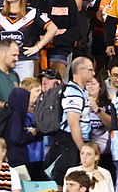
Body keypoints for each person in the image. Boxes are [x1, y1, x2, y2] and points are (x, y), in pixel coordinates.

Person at [0, 0, 58, 80]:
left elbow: (53, 28)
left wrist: (38, 46)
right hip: (2, 61)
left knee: (24, 91)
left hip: (24, 60)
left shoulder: (32, 13)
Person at [46, 56, 95, 188]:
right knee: (66, 183)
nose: (94, 73)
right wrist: (82, 150)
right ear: (79, 70)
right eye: (90, 70)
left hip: (74, 142)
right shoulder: (73, 92)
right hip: (69, 143)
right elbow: (74, 125)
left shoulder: (81, 91)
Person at [36, 0, 81, 76]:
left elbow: (75, 28)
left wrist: (56, 41)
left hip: (61, 49)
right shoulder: (36, 0)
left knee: (57, 79)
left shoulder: (68, 0)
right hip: (39, 48)